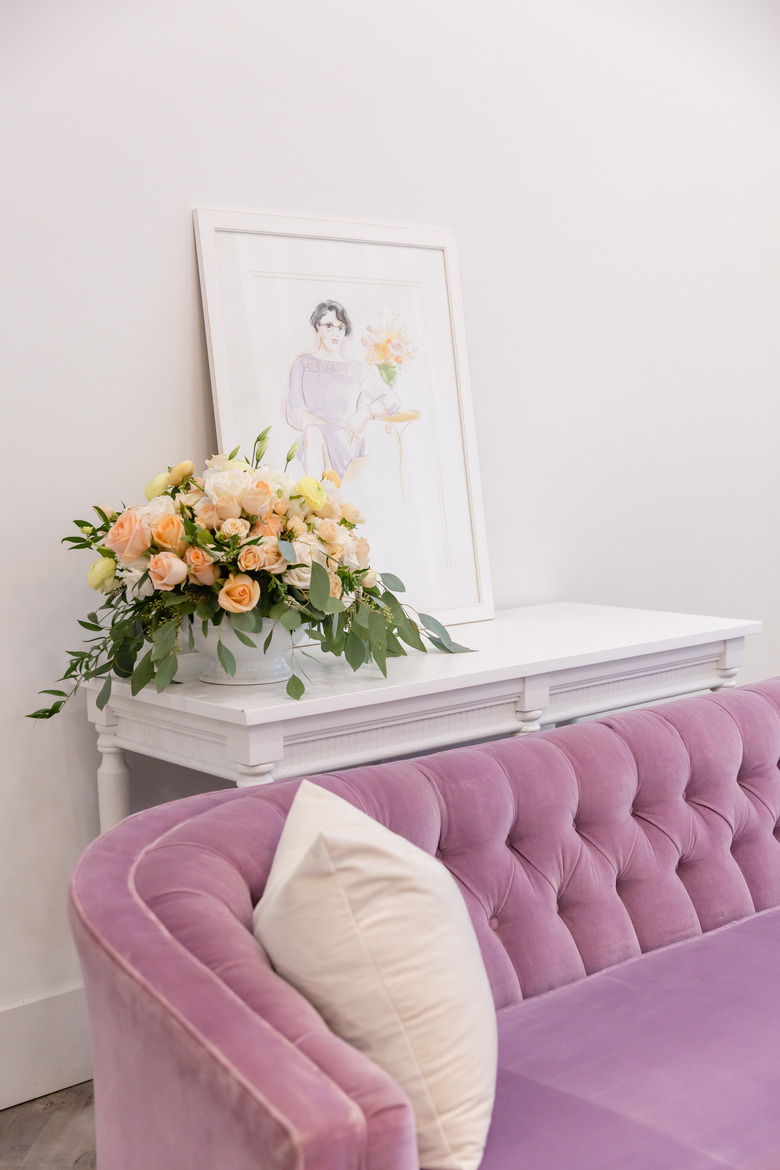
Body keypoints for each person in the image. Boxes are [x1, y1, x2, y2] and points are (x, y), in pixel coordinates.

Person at [286, 300, 401, 479]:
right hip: (313, 439)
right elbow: (293, 411)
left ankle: (316, 498)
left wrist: (364, 413)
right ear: (318, 326)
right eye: (329, 326)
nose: (336, 333)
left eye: (340, 327)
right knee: (313, 434)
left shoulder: (355, 369)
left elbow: (392, 400)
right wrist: (323, 427)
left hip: (346, 440)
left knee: (314, 435)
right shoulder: (303, 364)